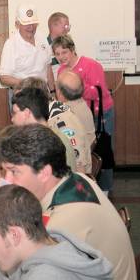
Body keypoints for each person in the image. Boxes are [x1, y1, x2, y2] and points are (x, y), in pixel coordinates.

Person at [0, 123, 137, 280]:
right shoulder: (75, 179)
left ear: (44, 172)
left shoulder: (62, 226)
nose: (8, 180)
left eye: (14, 171)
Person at [52, 35, 115, 192]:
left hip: (101, 114)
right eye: (57, 54)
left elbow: (98, 92)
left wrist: (74, 86)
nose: (61, 57)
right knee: (81, 151)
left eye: (64, 52)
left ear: (72, 50)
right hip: (77, 116)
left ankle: (105, 190)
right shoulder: (61, 70)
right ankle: (86, 187)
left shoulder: (91, 65)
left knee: (103, 151)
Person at [10, 86, 77, 172]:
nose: (12, 119)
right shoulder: (39, 136)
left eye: (15, 113)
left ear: (26, 113)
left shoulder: (53, 142)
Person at [0, 5, 55, 94]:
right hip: (23, 96)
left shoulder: (42, 38)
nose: (31, 27)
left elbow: (48, 68)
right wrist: (29, 84)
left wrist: (53, 92)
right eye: (26, 24)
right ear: (17, 24)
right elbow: (4, 78)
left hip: (44, 94)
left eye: (33, 23)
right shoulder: (11, 44)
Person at [56, 70, 96, 152]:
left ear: (60, 93)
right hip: (85, 153)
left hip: (77, 159)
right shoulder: (81, 103)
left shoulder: (67, 114)